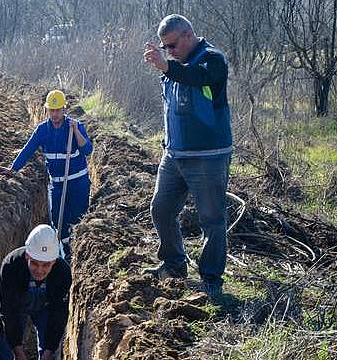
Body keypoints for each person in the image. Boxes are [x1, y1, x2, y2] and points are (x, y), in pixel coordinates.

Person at [142, 14, 232, 297]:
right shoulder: (173, 66)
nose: (169, 51)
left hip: (208, 156)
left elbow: (197, 78)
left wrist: (167, 66)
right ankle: (174, 263)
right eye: (164, 47)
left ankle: (211, 280)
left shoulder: (212, 60)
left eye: (172, 45)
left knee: (211, 218)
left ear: (188, 36)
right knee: (161, 209)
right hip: (175, 155)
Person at [0, 90, 92, 259]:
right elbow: (27, 150)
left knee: (76, 219)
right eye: (51, 110)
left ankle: (75, 255)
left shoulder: (74, 127)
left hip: (78, 182)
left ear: (64, 109)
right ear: (47, 110)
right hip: (57, 184)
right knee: (57, 222)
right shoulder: (42, 130)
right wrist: (13, 169)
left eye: (57, 110)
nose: (54, 114)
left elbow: (87, 150)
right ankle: (65, 252)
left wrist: (76, 132)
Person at [0, 224, 71, 360]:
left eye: (46, 265)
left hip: (46, 305)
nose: (40, 270)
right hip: (15, 303)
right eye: (35, 263)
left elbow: (58, 315)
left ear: (53, 261)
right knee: (8, 347)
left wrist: (48, 352)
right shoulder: (11, 266)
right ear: (27, 256)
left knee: (49, 349)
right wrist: (18, 351)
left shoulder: (62, 273)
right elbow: (8, 312)